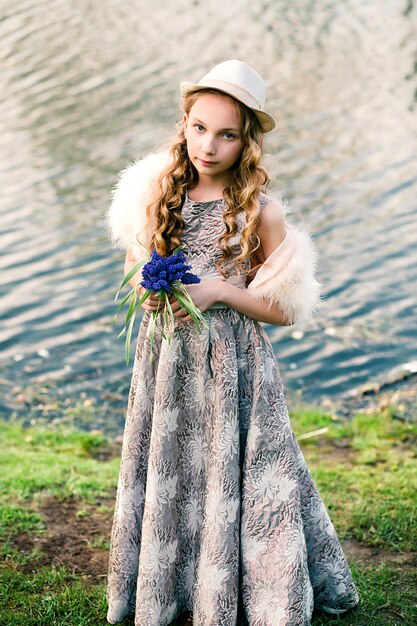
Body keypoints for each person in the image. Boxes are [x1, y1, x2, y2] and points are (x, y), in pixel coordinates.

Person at [104, 59, 359, 626]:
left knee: (247, 471)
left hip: (232, 365)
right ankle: (173, 583)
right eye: (199, 128)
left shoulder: (261, 213)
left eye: (227, 134)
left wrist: (221, 289)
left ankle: (250, 588)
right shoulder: (157, 194)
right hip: (168, 359)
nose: (209, 146)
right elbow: (136, 264)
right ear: (184, 124)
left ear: (247, 141)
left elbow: (284, 311)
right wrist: (148, 294)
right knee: (176, 467)